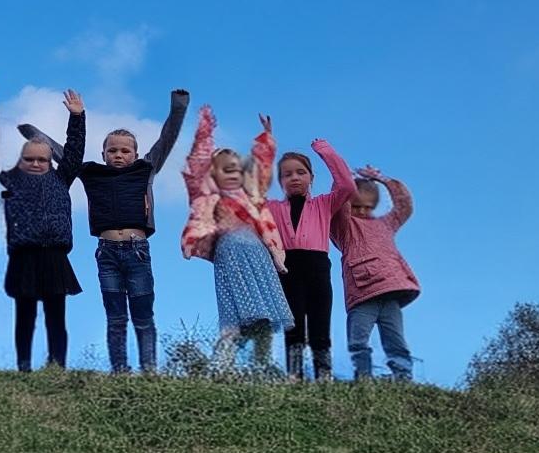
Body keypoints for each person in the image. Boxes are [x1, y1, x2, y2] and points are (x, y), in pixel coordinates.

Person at [21, 87, 189, 375]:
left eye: (125, 151)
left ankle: (149, 371)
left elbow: (167, 138)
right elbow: (61, 154)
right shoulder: (91, 173)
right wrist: (33, 133)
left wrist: (178, 106)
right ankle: (120, 370)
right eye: (112, 150)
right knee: (115, 317)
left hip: (137, 251)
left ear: (136, 154)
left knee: (143, 315)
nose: (119, 155)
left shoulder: (145, 169)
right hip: (107, 253)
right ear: (103, 153)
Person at [180, 106, 293, 375]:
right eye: (225, 169)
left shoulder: (252, 197)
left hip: (259, 256)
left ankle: (262, 366)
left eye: (236, 169)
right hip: (232, 255)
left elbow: (262, 169)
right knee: (237, 314)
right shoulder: (209, 196)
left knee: (264, 314)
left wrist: (267, 138)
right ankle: (221, 366)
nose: (232, 173)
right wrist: (205, 133)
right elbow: (196, 166)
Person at [0, 92, 85, 370]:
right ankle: (23, 363)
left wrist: (77, 117)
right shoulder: (11, 181)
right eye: (30, 159)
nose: (36, 164)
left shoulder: (61, 179)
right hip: (24, 256)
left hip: (54, 255)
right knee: (24, 314)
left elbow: (73, 152)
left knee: (55, 314)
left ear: (50, 162)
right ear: (21, 160)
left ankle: (57, 363)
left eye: (42, 160)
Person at [321, 143, 420, 380]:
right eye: (357, 206)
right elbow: (339, 203)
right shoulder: (344, 227)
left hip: (390, 289)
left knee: (395, 338)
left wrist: (384, 181)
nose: (362, 211)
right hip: (362, 292)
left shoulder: (385, 224)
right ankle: (362, 376)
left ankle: (403, 376)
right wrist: (347, 181)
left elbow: (405, 206)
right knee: (358, 338)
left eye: (368, 206)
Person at [272, 140, 358, 380]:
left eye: (301, 172)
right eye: (287, 174)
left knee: (320, 320)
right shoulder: (273, 208)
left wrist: (326, 152)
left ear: (311, 177)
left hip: (318, 266)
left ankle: (324, 374)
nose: (294, 178)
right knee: (294, 322)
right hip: (288, 268)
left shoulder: (324, 204)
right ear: (280, 181)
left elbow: (347, 185)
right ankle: (295, 374)